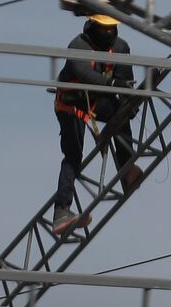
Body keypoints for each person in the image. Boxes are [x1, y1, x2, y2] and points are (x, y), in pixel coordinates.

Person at [50, 14, 141, 236]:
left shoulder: (120, 48)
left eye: (111, 28)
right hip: (71, 104)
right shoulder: (78, 46)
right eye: (103, 28)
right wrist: (112, 83)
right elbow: (84, 73)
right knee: (73, 156)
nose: (108, 33)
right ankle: (62, 211)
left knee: (121, 114)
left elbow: (124, 80)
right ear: (92, 26)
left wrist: (128, 101)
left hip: (95, 101)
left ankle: (126, 171)